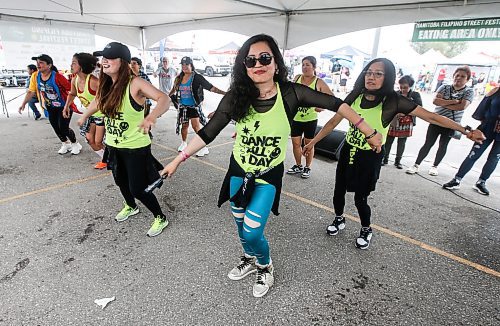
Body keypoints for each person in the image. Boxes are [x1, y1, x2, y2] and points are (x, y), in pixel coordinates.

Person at [161, 34, 383, 298]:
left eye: (264, 58)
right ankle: (248, 258)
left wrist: (368, 131)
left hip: (268, 175)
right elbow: (208, 132)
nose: (258, 64)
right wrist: (177, 160)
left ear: (276, 62)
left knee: (254, 231)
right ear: (244, 66)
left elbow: (338, 105)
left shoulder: (291, 93)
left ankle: (265, 266)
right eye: (250, 60)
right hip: (238, 171)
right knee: (240, 225)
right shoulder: (236, 97)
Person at [303, 58, 485, 250]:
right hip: (348, 150)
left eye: (378, 74)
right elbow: (333, 121)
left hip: (370, 156)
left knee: (360, 198)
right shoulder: (355, 95)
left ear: (387, 77)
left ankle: (366, 229)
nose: (371, 77)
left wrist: (466, 130)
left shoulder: (393, 101)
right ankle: (339, 219)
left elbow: (431, 116)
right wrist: (314, 141)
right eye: (369, 72)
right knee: (338, 191)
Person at [77, 42, 171, 237]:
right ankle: (130, 206)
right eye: (103, 57)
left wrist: (151, 117)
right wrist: (84, 115)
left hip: (135, 147)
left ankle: (160, 217)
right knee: (120, 181)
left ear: (124, 62)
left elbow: (164, 99)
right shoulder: (105, 84)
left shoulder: (135, 83)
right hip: (113, 145)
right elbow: (97, 101)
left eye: (110, 57)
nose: (104, 61)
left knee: (137, 188)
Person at [407, 66, 474, 176]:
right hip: (435, 121)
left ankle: (435, 166)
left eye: (463, 76)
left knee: (443, 145)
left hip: (452, 124)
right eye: (457, 75)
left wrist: (445, 103)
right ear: (453, 76)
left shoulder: (469, 91)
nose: (459, 78)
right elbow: (436, 101)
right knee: (428, 143)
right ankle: (416, 164)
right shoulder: (444, 87)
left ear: (467, 79)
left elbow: (462, 106)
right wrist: (454, 101)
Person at [18, 54, 82, 155]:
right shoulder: (35, 76)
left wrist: (72, 104)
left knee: (63, 128)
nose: (38, 65)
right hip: (50, 107)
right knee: (55, 127)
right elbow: (31, 91)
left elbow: (71, 91)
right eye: (37, 63)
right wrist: (23, 104)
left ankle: (75, 144)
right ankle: (65, 144)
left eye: (41, 63)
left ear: (49, 65)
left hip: (64, 106)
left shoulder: (58, 77)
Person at [443, 87, 499, 195]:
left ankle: (481, 182)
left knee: (494, 158)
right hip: (487, 127)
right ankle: (457, 179)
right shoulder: (495, 91)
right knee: (473, 155)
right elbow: (481, 110)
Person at [169, 56, 226, 157]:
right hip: (183, 107)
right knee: (184, 126)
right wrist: (168, 96)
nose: (184, 66)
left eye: (186, 64)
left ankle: (203, 147)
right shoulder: (179, 77)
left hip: (194, 106)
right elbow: (174, 89)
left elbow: (211, 88)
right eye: (182, 65)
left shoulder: (197, 77)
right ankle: (184, 143)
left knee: (196, 127)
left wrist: (225, 93)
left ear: (191, 65)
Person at [287, 56, 333, 178]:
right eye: (303, 64)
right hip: (296, 119)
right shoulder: (297, 78)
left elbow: (331, 99)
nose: (305, 67)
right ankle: (298, 165)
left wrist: (321, 107)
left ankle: (307, 167)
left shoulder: (318, 82)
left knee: (308, 144)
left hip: (310, 120)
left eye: (307, 65)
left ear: (314, 67)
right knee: (296, 144)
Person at [62, 53, 105, 169]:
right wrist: (66, 107)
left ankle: (111, 158)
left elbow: (105, 99)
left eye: (74, 63)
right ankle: (106, 158)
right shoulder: (75, 80)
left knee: (98, 142)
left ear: (81, 66)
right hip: (90, 115)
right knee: (90, 140)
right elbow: (72, 94)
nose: (71, 65)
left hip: (102, 115)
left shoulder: (94, 82)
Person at [383, 75, 422, 169]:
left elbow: (419, 107)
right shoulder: (395, 94)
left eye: (405, 87)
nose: (402, 89)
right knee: (388, 140)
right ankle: (385, 159)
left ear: (410, 86)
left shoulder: (415, 95)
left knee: (402, 142)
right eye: (401, 87)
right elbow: (388, 105)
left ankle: (398, 161)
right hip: (394, 120)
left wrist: (405, 113)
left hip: (407, 122)